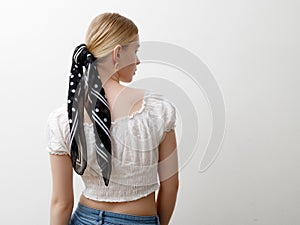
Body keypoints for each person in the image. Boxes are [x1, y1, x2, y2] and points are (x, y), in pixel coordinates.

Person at [46, 12, 179, 225]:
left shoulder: (64, 118)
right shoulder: (156, 110)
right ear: (117, 54)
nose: (138, 60)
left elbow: (61, 203)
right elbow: (171, 186)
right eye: (135, 51)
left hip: (84, 218)